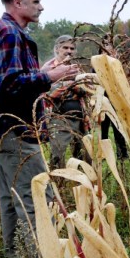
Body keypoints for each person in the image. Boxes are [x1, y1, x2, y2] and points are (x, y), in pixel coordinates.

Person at [0, 0, 78, 258]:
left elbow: (7, 78)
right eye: (36, 2)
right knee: (34, 199)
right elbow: (10, 84)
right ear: (17, 2)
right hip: (17, 130)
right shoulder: (9, 33)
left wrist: (41, 72)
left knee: (11, 199)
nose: (41, 7)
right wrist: (50, 77)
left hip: (4, 130)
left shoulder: (2, 30)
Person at [42, 35, 90, 169]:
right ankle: (58, 185)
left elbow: (87, 88)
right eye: (65, 47)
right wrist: (74, 84)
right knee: (57, 154)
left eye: (72, 48)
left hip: (80, 118)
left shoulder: (77, 67)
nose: (69, 51)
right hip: (59, 118)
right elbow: (50, 92)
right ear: (57, 49)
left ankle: (82, 185)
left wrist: (68, 84)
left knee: (84, 155)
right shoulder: (48, 68)